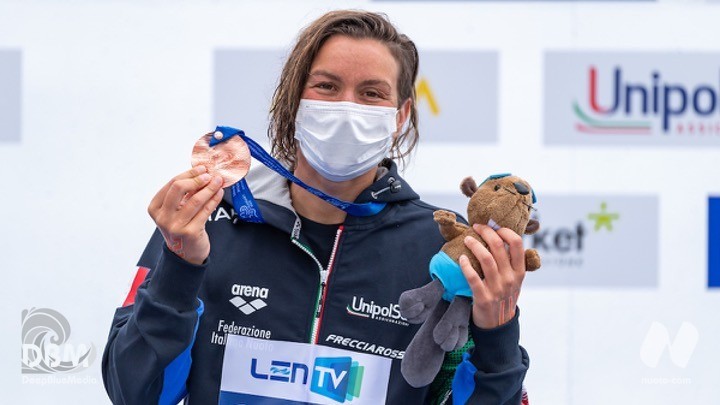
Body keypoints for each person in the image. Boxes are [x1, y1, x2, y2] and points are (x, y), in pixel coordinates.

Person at [102, 10, 529, 405]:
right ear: (294, 99)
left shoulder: (441, 251)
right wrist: (179, 269)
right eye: (326, 86)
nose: (347, 107)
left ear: (400, 116)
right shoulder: (209, 223)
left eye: (371, 93)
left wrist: (499, 332)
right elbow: (135, 392)